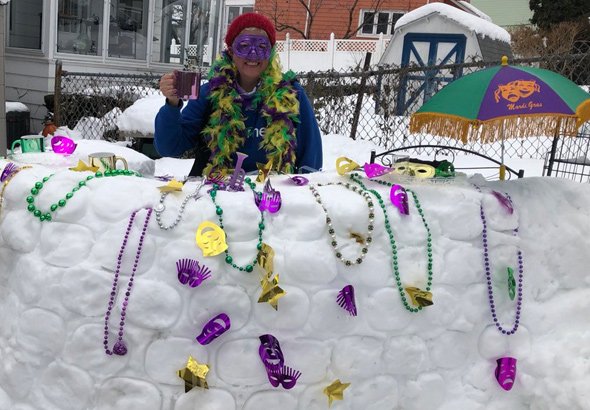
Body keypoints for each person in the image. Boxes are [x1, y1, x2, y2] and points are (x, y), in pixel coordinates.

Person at [154, 12, 323, 177]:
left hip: (273, 198)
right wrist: (172, 104)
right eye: (244, 46)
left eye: (262, 47)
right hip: (219, 196)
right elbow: (170, 147)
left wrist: (303, 196)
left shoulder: (291, 94)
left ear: (270, 53)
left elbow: (311, 160)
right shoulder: (209, 94)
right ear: (231, 51)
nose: (253, 54)